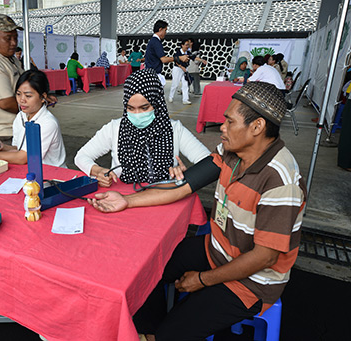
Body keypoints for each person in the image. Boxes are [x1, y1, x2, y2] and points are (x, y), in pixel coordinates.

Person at [88, 82, 306, 340]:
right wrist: (128, 201)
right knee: (146, 266)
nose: (222, 128)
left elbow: (264, 258)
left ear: (257, 127)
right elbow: (183, 186)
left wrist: (202, 280)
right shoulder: (231, 152)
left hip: (252, 282)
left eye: (229, 122)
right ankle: (146, 330)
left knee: (171, 332)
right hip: (217, 249)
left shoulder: (280, 181)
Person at [74, 69, 209, 187]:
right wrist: (97, 171)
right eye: (130, 108)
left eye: (144, 108)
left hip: (163, 197)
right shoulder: (115, 128)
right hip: (122, 197)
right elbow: (81, 156)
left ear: (157, 103)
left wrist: (186, 175)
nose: (137, 115)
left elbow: (209, 162)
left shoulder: (174, 129)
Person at [0, 70, 66, 168]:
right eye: (18, 94)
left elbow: (23, 158)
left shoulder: (47, 123)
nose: (22, 100)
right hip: (30, 172)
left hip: (52, 178)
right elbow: (19, 149)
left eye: (28, 96)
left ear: (43, 97)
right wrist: (3, 147)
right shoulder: (21, 116)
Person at [145, 20, 188, 86]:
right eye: (165, 30)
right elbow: (164, 59)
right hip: (154, 75)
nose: (166, 33)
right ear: (160, 29)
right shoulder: (156, 42)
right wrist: (179, 58)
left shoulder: (152, 41)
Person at [169, 39, 193, 105]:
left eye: (188, 45)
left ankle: (185, 99)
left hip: (185, 70)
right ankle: (171, 96)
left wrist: (202, 60)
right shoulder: (178, 52)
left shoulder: (188, 53)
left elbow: (193, 58)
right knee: (175, 84)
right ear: (182, 45)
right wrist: (182, 67)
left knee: (185, 84)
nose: (187, 46)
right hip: (178, 69)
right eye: (186, 45)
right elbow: (176, 61)